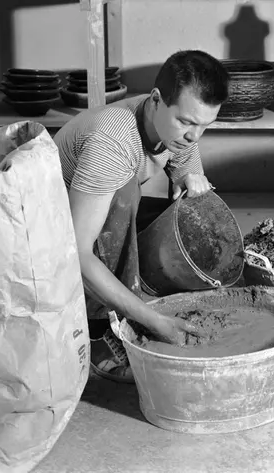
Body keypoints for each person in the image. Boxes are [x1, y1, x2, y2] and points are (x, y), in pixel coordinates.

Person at [53, 50, 229, 383]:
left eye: (204, 125)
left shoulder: (177, 128)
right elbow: (77, 253)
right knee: (125, 192)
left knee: (191, 222)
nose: (194, 136)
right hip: (49, 239)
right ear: (156, 99)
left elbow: (187, 171)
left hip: (92, 217)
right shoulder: (112, 140)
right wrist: (153, 320)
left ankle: (132, 302)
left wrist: (190, 179)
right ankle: (98, 330)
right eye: (187, 122)